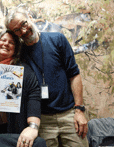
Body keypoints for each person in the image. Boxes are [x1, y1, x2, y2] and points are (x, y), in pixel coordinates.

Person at [5, 7, 89, 147]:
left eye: (23, 24)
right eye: (17, 30)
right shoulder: (19, 53)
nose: (23, 31)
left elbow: (74, 75)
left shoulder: (57, 39)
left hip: (69, 114)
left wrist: (79, 110)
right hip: (41, 119)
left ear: (30, 18)